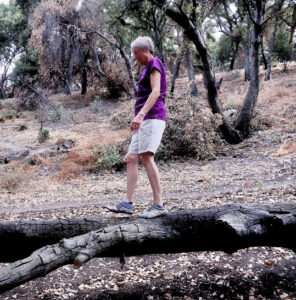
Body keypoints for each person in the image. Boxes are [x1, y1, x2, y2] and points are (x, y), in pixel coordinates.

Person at [104, 36, 168, 219]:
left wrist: (140, 115)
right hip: (142, 119)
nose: (134, 57)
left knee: (146, 157)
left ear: (146, 49)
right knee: (131, 158)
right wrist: (137, 119)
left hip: (153, 116)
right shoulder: (145, 69)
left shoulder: (155, 62)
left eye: (135, 53)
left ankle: (159, 204)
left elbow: (156, 92)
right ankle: (127, 203)